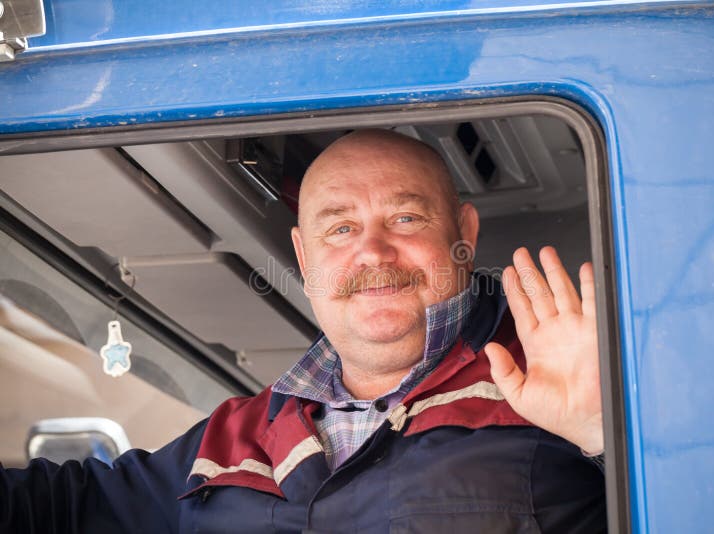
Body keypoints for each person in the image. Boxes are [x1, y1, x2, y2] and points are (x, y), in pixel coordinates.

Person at [0, 129, 605, 533]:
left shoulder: (563, 379)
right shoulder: (227, 442)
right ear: (303, 254)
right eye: (340, 229)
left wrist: (609, 439)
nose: (373, 250)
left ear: (463, 234)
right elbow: (61, 510)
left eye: (405, 217)